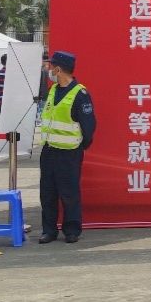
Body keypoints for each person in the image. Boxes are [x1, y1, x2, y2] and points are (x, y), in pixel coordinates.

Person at [36, 52, 94, 243]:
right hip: (49, 150)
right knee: (47, 193)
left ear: (59, 69)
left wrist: (79, 146)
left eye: (51, 67)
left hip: (69, 153)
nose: (49, 69)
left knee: (69, 193)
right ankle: (49, 230)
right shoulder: (53, 89)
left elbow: (89, 125)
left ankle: (72, 230)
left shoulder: (80, 94)